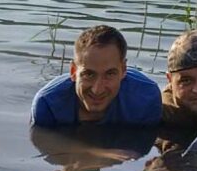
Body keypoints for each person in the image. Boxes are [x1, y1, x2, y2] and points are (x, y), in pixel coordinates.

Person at [31, 25, 161, 128]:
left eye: (110, 74)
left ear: (123, 70)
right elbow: (46, 142)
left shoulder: (146, 98)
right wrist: (96, 153)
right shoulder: (48, 104)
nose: (97, 90)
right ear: (73, 72)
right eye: (88, 74)